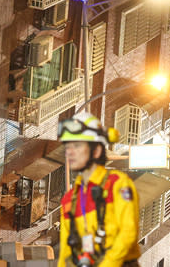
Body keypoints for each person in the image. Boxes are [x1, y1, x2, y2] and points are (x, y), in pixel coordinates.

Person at [57, 111, 140, 267]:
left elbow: (127, 233)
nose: (70, 152)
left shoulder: (117, 184)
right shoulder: (70, 200)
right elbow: (66, 253)